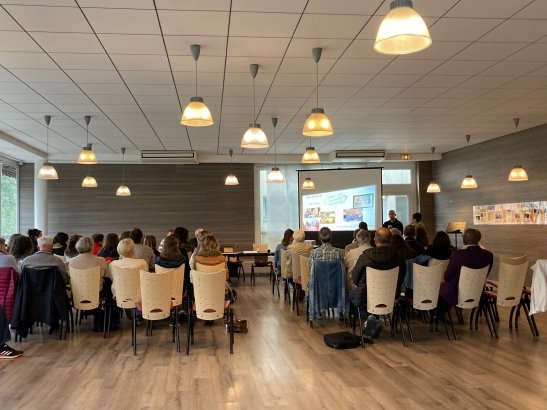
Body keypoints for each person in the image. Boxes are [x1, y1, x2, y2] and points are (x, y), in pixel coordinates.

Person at [349, 228, 406, 308]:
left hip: (366, 295)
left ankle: (368, 317)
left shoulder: (364, 257)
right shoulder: (399, 258)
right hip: (391, 295)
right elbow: (401, 278)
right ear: (390, 241)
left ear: (375, 240)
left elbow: (355, 279)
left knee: (352, 293)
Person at [439, 228, 493, 306]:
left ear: (464, 239)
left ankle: (438, 315)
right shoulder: (488, 255)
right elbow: (486, 274)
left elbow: (447, 277)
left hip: (458, 292)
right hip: (478, 290)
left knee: (441, 287)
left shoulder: (457, 254)